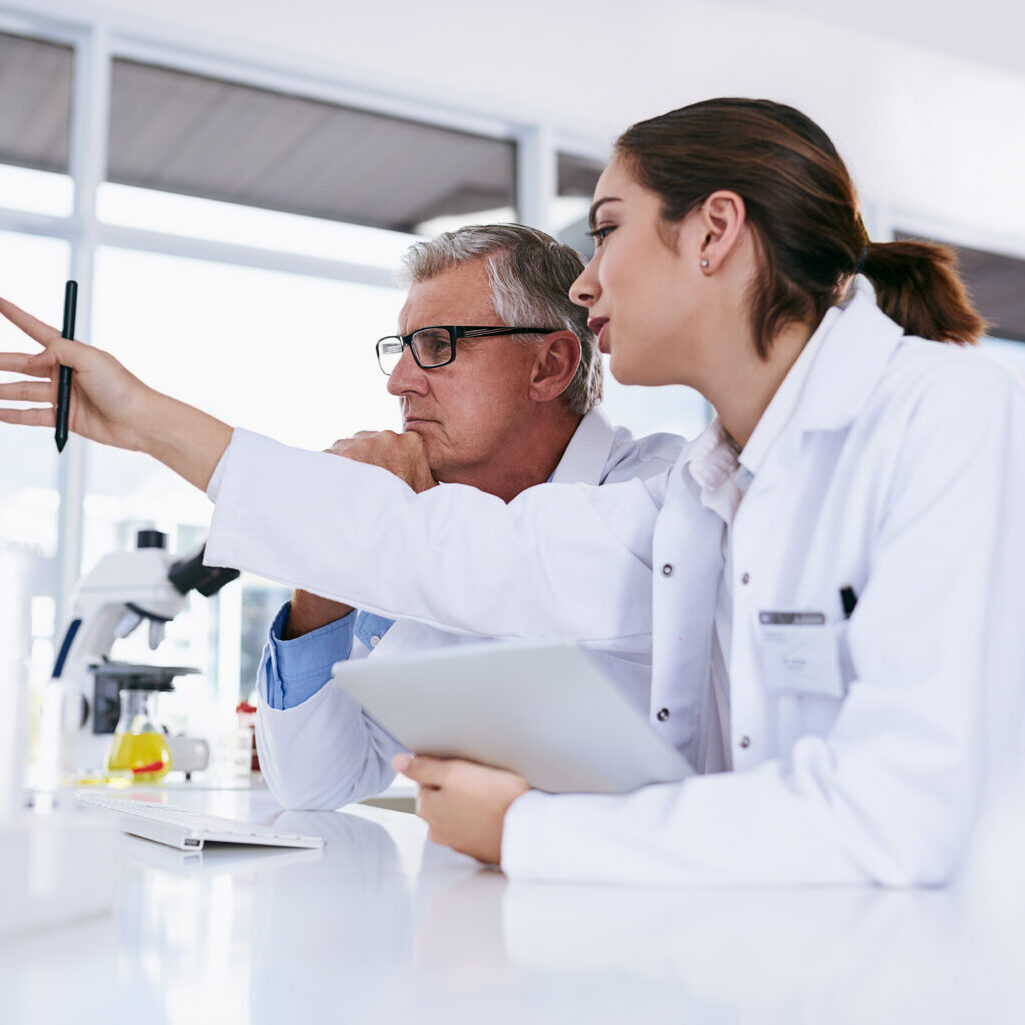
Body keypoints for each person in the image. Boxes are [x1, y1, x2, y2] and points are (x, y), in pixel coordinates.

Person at [3, 98, 1024, 887]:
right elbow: (443, 556)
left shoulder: (946, 416)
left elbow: (892, 814)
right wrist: (139, 418)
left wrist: (525, 829)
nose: (586, 286)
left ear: (714, 232)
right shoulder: (709, 487)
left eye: (609, 230)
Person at [253, 224, 683, 809]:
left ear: (548, 365)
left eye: (436, 346)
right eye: (401, 349)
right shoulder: (416, 510)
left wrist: (389, 529)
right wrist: (327, 558)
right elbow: (315, 786)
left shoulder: (663, 494)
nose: (399, 383)